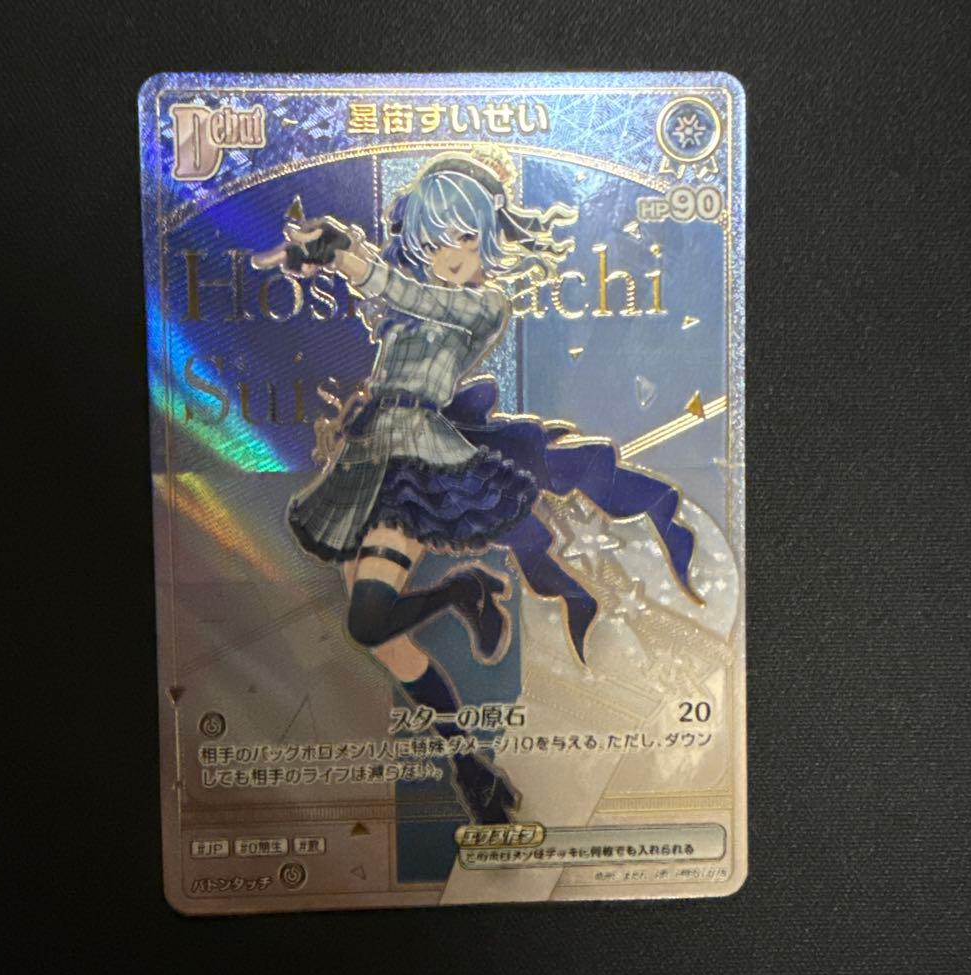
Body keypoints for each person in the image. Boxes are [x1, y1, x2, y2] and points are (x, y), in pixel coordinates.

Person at [251, 151, 699, 823]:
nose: (452, 253)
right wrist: (325, 248)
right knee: (383, 641)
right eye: (436, 240)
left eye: (465, 236)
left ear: (488, 236)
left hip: (417, 461)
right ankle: (471, 771)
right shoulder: (408, 294)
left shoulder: (484, 305)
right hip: (365, 458)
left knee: (368, 618)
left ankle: (462, 591)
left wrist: (347, 259)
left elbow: (410, 294)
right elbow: (392, 287)